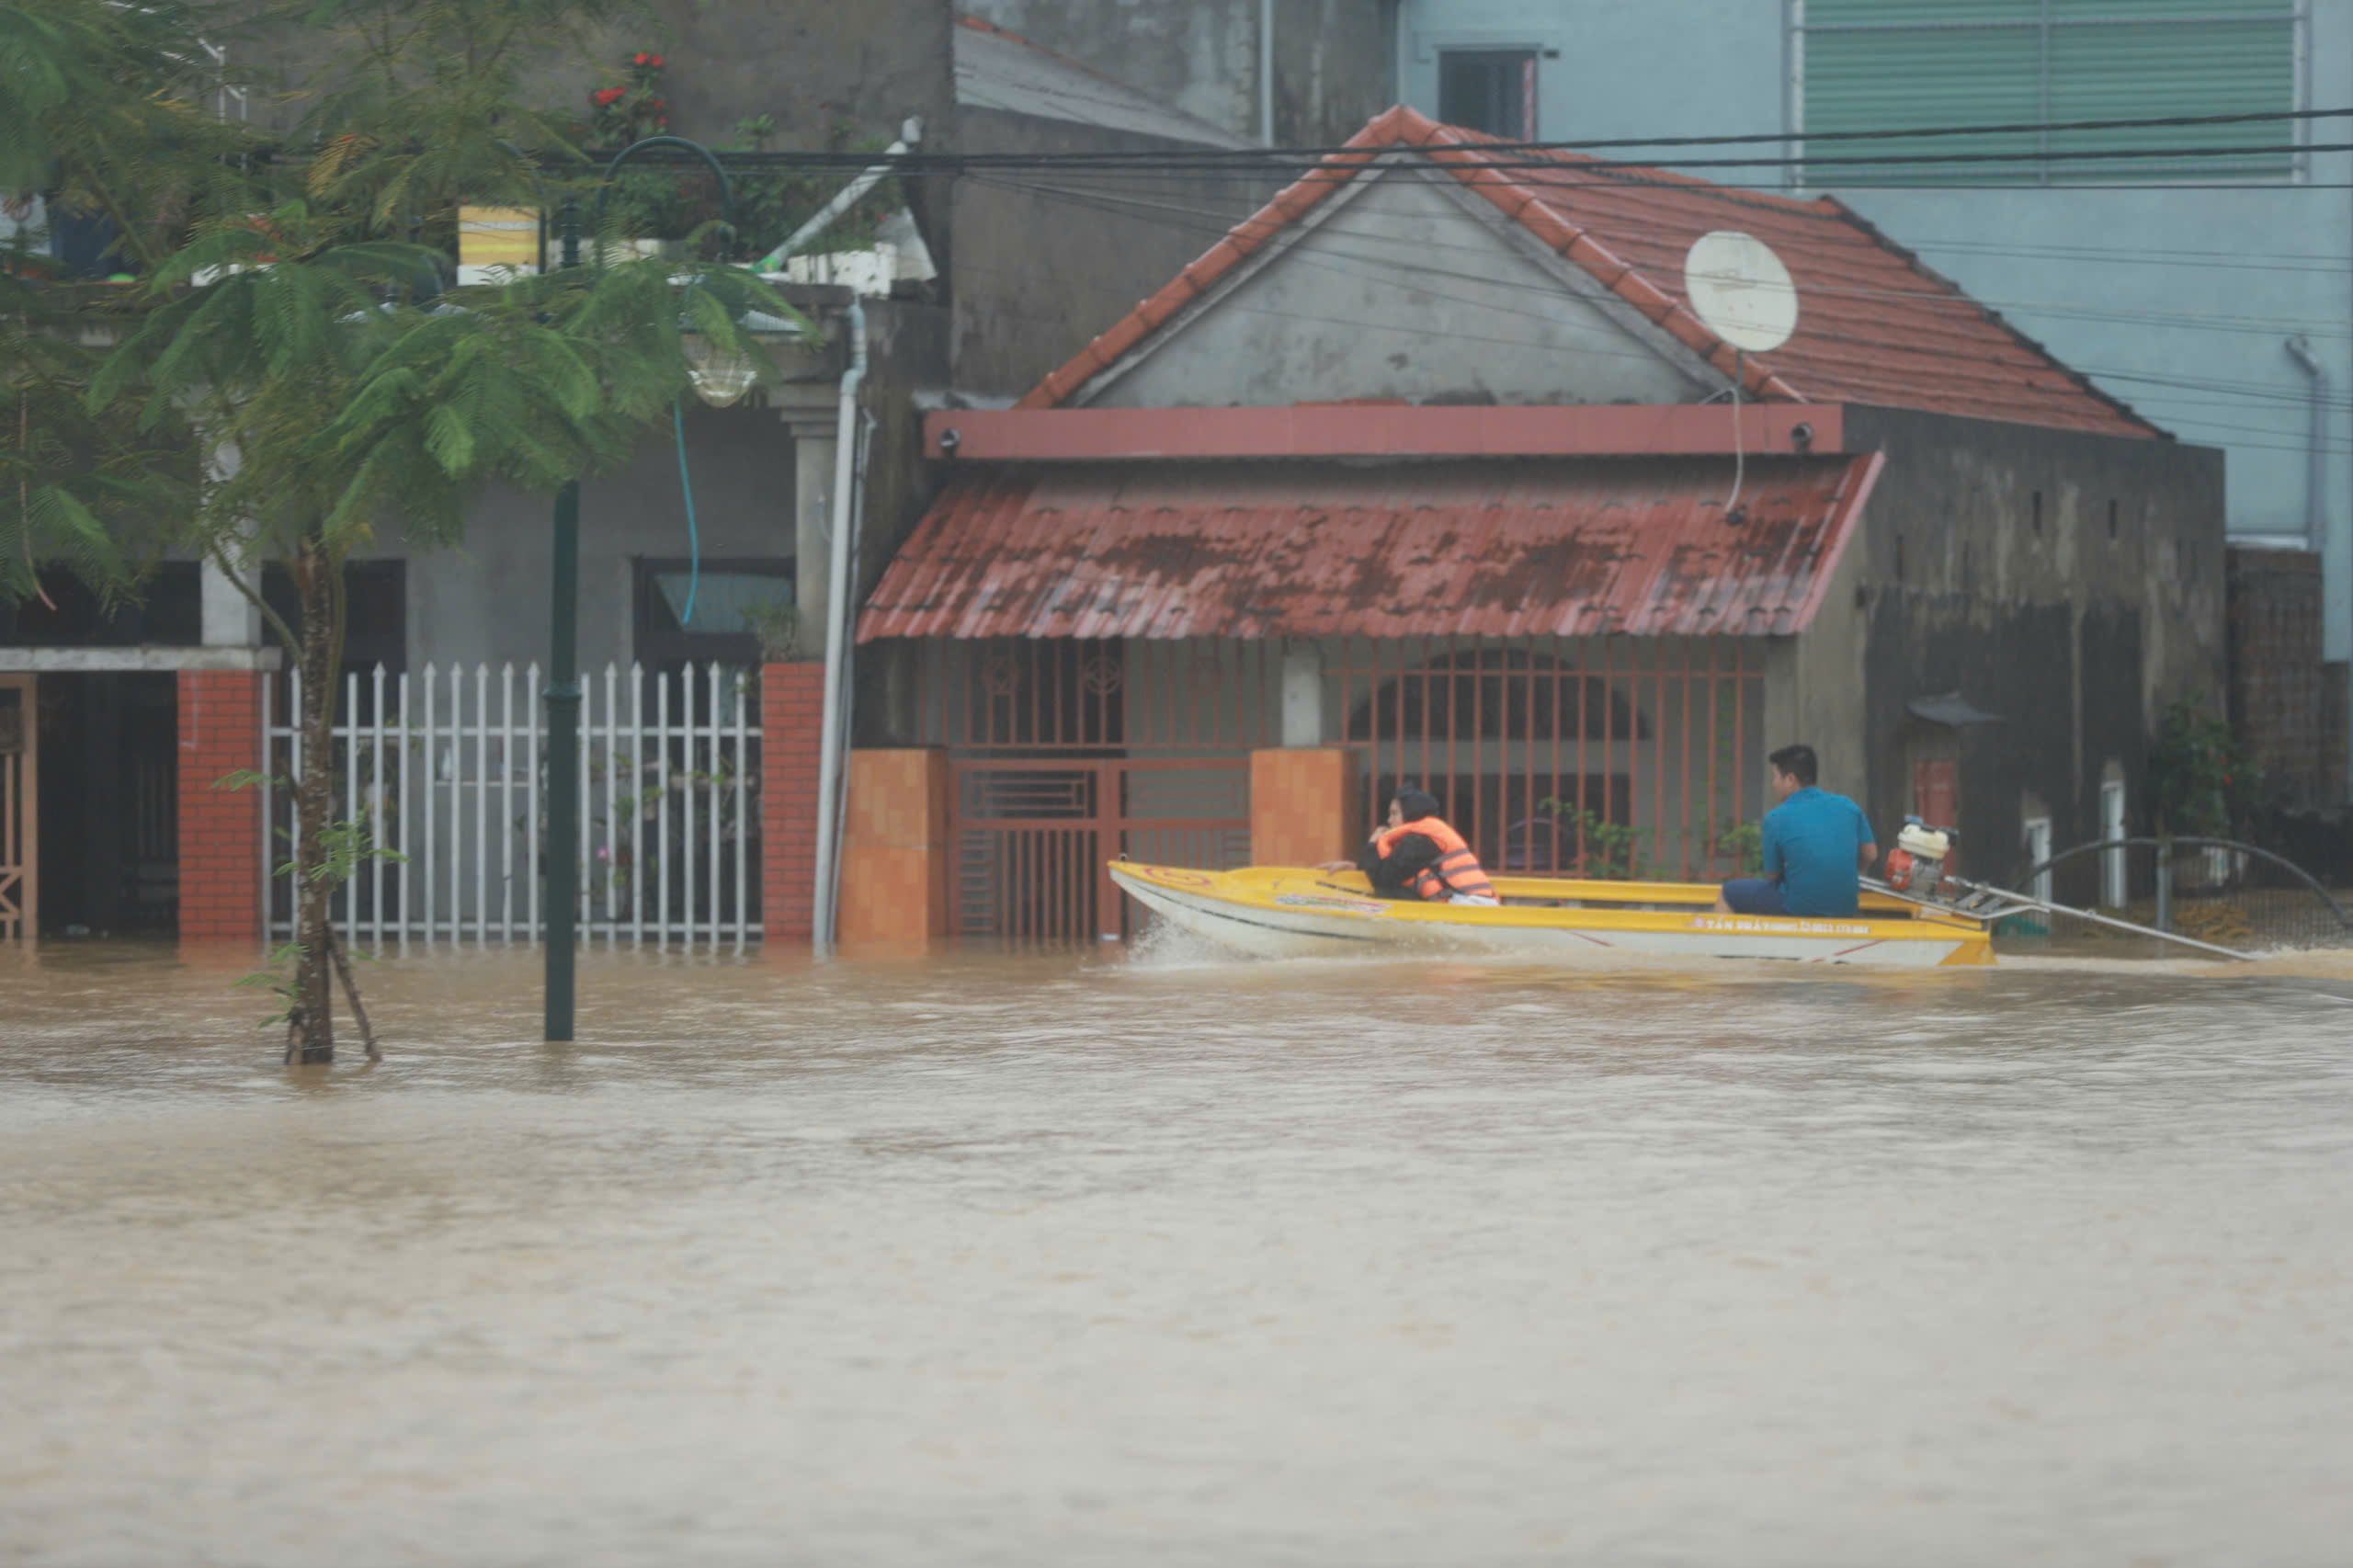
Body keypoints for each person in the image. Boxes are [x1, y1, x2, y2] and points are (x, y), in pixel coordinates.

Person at [1716, 744, 1877, 917]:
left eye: (1776, 777)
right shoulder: (1848, 806)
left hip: (1799, 907)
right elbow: (1870, 856)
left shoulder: (1776, 817)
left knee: (1728, 893)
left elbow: (1772, 875)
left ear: (1790, 780)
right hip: (1846, 906)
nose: (1774, 784)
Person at [1321, 785, 1500, 906]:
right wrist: (1354, 867)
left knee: (1387, 891)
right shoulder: (1423, 836)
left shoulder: (1420, 841)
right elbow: (1395, 869)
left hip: (1470, 905)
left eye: (1394, 814)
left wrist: (1372, 844)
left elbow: (1384, 879)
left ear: (1410, 814)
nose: (1389, 820)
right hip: (1467, 902)